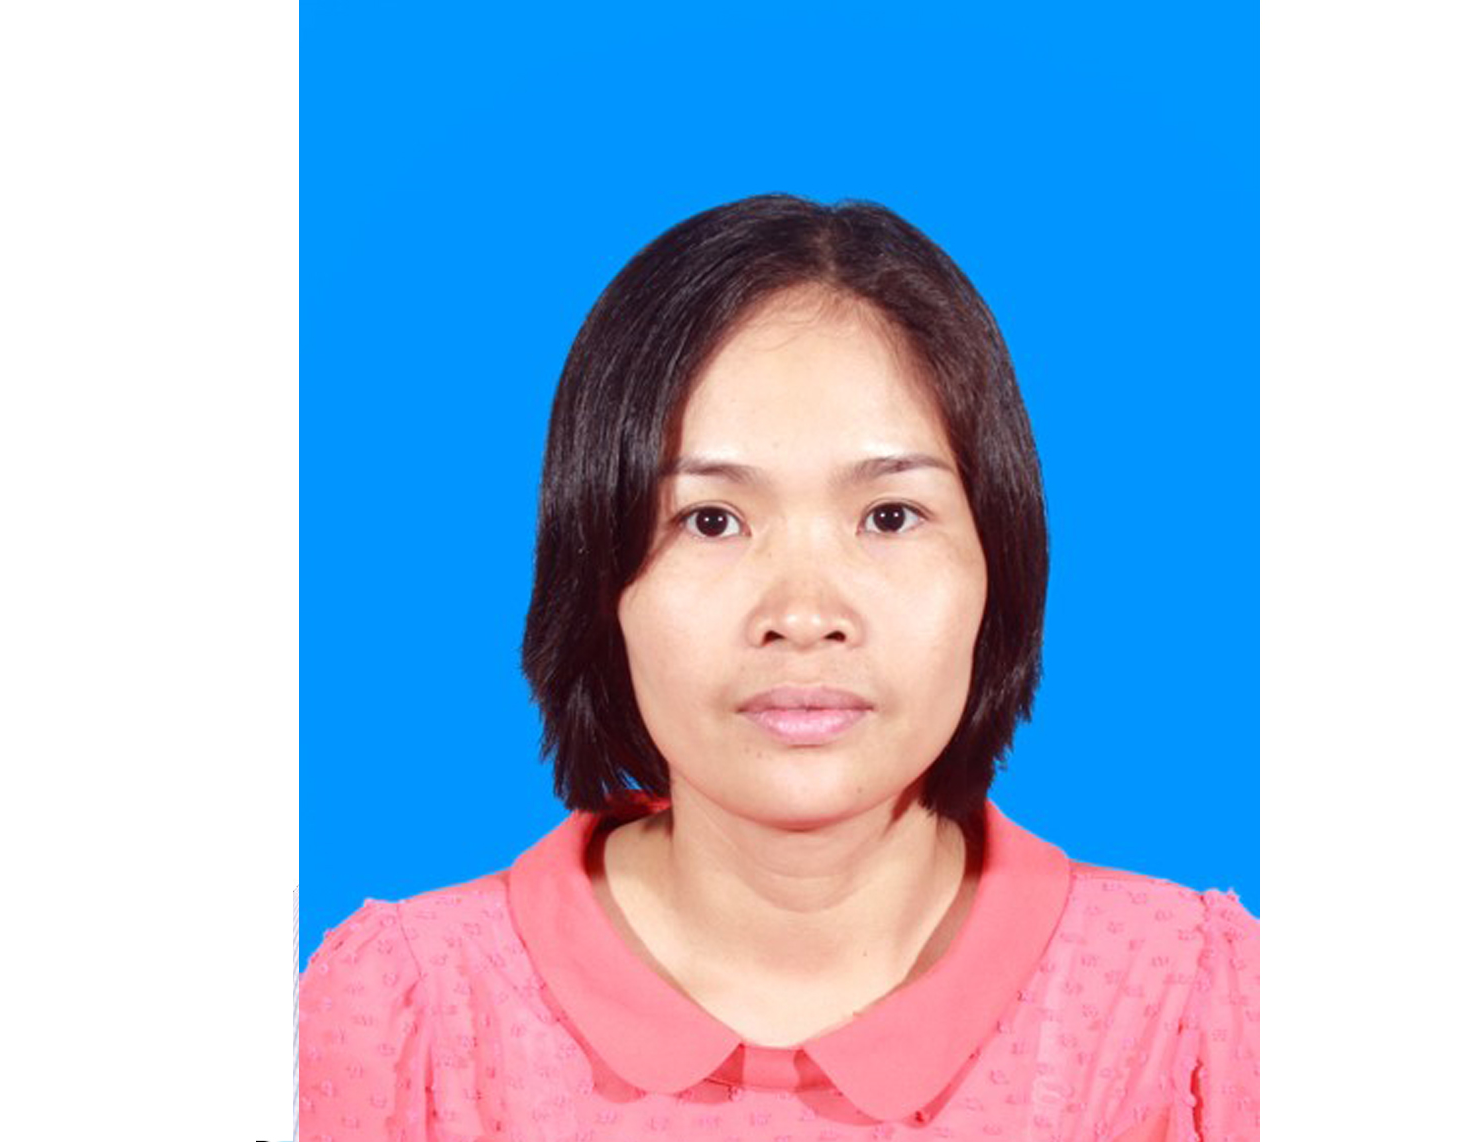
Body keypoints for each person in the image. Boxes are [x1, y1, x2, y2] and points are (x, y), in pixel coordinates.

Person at [296, 194, 1259, 1141]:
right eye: (710, 521)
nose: (802, 616)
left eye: (889, 517)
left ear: (999, 564)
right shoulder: (405, 1016)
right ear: (596, 574)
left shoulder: (1192, 1010)